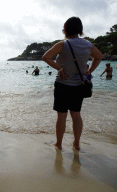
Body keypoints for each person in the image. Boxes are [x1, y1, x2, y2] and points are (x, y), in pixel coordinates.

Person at [42, 17, 102, 151]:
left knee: (61, 115)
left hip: (62, 84)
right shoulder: (88, 45)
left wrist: (59, 69)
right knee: (76, 115)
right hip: (79, 85)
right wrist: (89, 71)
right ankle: (76, 144)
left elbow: (45, 57)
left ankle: (59, 144)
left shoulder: (63, 44)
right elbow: (99, 57)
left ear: (66, 29)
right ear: (80, 29)